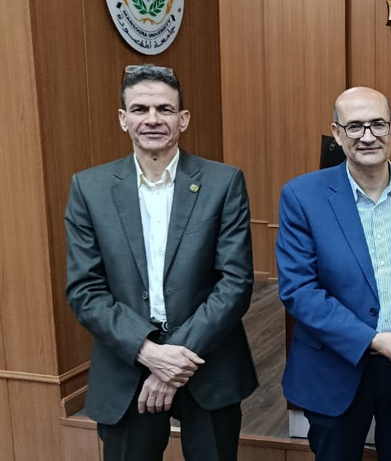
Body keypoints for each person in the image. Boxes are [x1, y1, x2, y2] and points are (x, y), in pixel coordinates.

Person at [65, 64, 257, 460]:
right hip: (126, 364)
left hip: (207, 360)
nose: (152, 119)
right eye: (140, 109)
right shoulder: (89, 188)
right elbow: (85, 290)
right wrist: (148, 352)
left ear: (182, 119)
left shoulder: (223, 182)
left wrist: (174, 359)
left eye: (164, 109)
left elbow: (235, 283)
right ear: (123, 119)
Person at [275, 87, 391, 461]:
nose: (368, 136)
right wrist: (371, 340)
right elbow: (299, 290)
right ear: (337, 132)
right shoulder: (302, 196)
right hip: (335, 366)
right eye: (355, 126)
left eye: (377, 124)